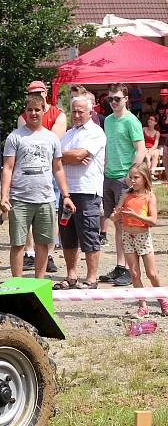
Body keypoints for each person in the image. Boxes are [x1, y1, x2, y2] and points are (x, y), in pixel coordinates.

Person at [0, 93, 75, 279]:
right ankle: (17, 284)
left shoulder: (52, 138)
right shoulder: (14, 137)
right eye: (30, 110)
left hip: (46, 199)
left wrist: (65, 195)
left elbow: (57, 168)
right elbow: (8, 167)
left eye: (37, 110)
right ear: (25, 112)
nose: (33, 113)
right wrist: (4, 195)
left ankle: (38, 282)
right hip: (20, 199)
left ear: (43, 111)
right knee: (18, 243)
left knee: (43, 243)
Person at [53, 94, 106, 290]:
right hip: (67, 191)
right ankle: (71, 275)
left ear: (90, 112)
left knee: (89, 234)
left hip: (87, 190)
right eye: (73, 111)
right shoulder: (68, 134)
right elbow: (57, 157)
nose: (76, 115)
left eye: (80, 111)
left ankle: (92, 278)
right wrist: (69, 157)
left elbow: (79, 155)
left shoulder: (96, 132)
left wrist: (68, 156)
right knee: (67, 235)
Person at [98, 84, 146, 287]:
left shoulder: (131, 120)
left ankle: (129, 269)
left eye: (117, 98)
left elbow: (141, 148)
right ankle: (121, 267)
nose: (113, 102)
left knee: (126, 225)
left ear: (126, 99)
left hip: (123, 179)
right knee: (117, 223)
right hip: (109, 176)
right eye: (110, 99)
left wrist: (131, 175)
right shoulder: (108, 121)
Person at [18, 80, 66, 272]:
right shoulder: (24, 116)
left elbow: (52, 142)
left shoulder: (58, 114)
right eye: (32, 92)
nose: (37, 94)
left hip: (49, 171)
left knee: (52, 211)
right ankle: (30, 253)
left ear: (46, 93)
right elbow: (24, 140)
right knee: (27, 210)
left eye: (39, 91)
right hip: (27, 172)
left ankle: (50, 254)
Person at [110, 163, 167, 317]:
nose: (132, 181)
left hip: (143, 236)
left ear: (145, 177)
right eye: (131, 178)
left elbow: (153, 221)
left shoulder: (149, 196)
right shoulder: (126, 195)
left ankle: (162, 300)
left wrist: (135, 215)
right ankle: (143, 306)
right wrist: (117, 214)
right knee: (134, 273)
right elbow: (114, 216)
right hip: (127, 236)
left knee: (151, 273)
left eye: (136, 177)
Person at [143, 114, 162, 178]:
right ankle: (146, 173)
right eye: (149, 119)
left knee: (155, 154)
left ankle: (152, 173)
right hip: (143, 147)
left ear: (155, 123)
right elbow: (141, 141)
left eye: (151, 119)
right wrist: (145, 149)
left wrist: (150, 150)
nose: (149, 120)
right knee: (146, 156)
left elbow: (156, 144)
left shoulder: (157, 133)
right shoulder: (143, 129)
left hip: (152, 148)